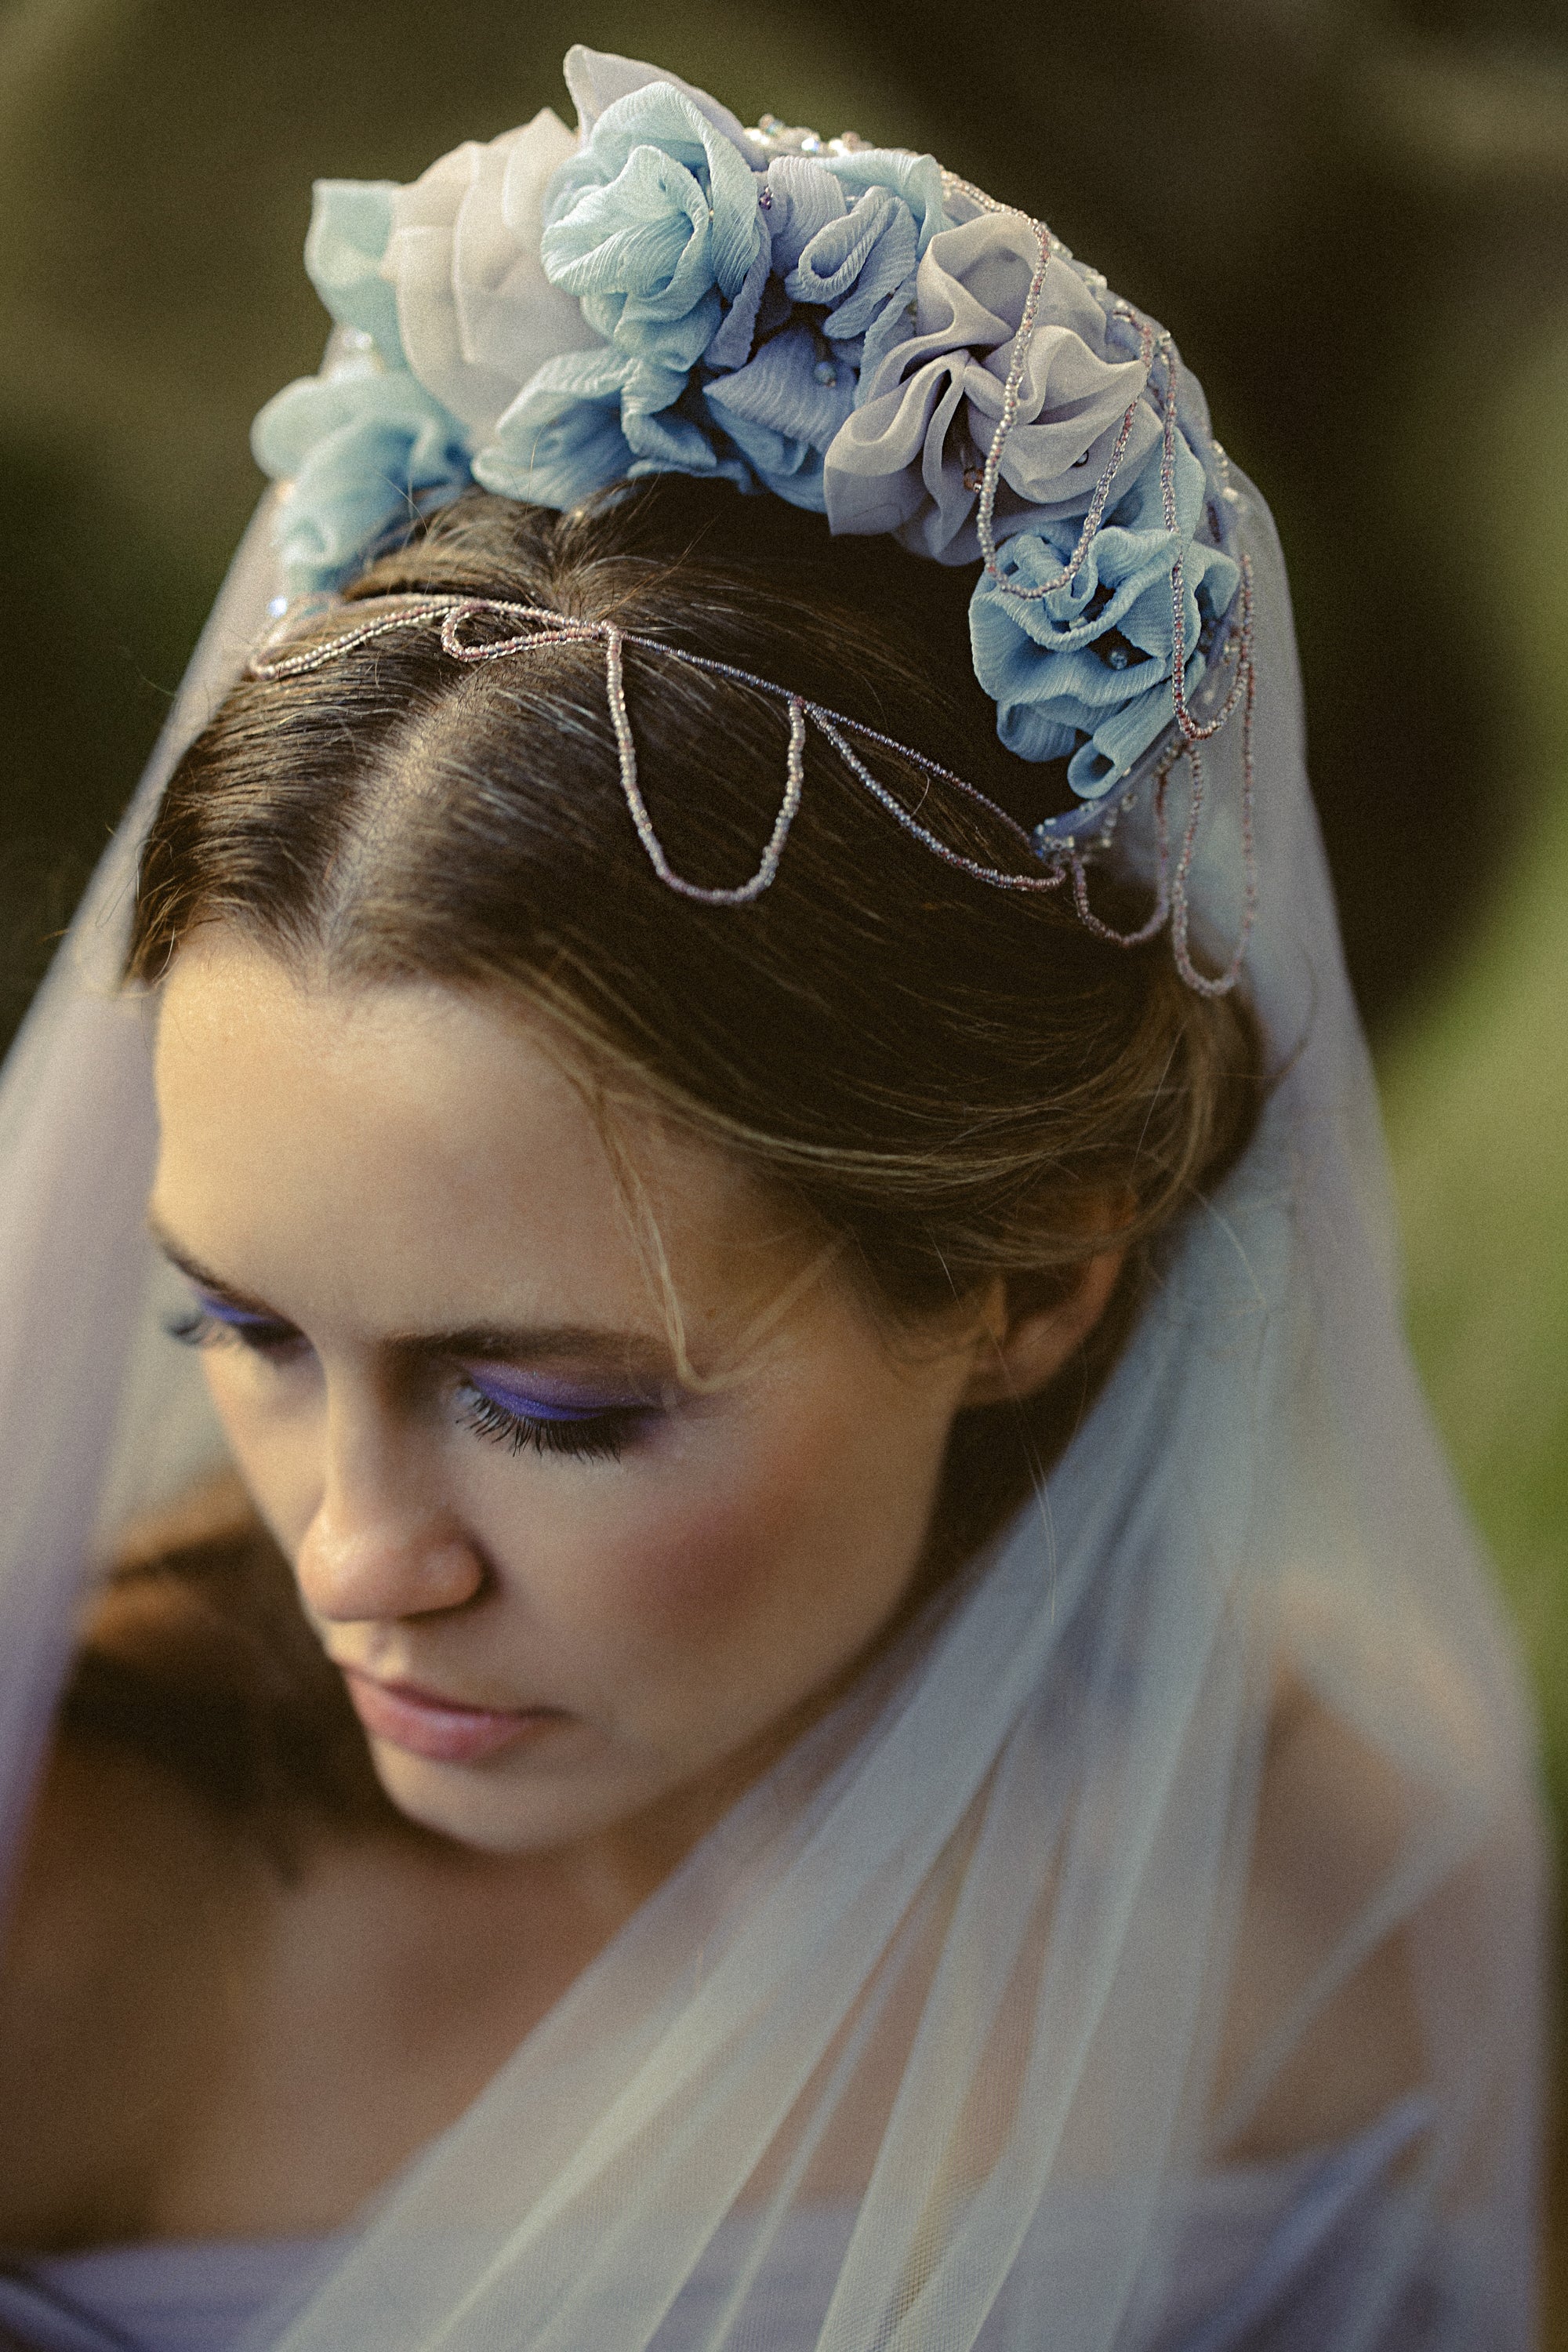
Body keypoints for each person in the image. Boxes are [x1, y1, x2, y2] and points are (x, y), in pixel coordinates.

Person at [0, 44, 1544, 2352]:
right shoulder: (64, 1917)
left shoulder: (1350, 1967)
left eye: (548, 1403)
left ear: (1030, 1279)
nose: (355, 1554)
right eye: (248, 1333)